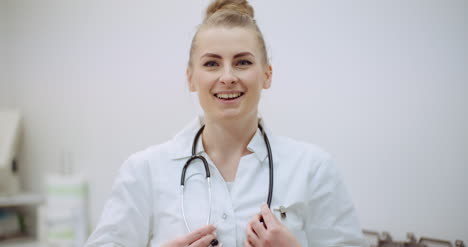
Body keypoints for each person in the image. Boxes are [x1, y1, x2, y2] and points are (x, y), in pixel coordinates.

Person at [84, 0, 368, 246]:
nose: (228, 76)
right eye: (211, 64)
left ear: (267, 75)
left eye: (243, 62)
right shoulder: (144, 171)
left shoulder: (312, 168)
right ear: (191, 78)